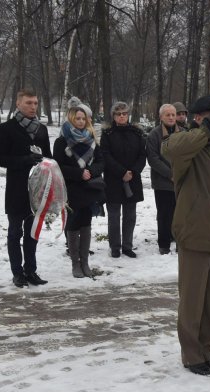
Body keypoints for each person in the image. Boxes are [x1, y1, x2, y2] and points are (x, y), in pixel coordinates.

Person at [162, 94, 210, 376]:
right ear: (199, 118)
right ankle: (192, 354)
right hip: (195, 233)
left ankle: (207, 349)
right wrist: (204, 131)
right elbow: (169, 150)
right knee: (193, 299)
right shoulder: (187, 146)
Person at [0, 89, 51, 288]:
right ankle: (17, 273)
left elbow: (49, 157)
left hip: (37, 190)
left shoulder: (41, 130)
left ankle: (31, 271)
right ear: (18, 104)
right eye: (28, 103)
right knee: (15, 232)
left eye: (35, 103)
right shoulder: (7, 128)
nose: (33, 107)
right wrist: (25, 160)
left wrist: (46, 164)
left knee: (32, 233)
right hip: (17, 189)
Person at [53, 105, 105, 278]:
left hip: (89, 188)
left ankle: (85, 263)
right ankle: (75, 264)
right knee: (74, 224)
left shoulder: (92, 139)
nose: (81, 121)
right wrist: (78, 173)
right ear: (71, 119)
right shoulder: (62, 141)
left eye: (84, 118)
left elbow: (100, 162)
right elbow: (58, 166)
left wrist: (92, 172)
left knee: (86, 223)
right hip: (71, 188)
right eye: (77, 118)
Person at [101, 101, 147, 259]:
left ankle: (127, 246)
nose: (121, 116)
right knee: (114, 215)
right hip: (113, 179)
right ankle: (114, 246)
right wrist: (121, 172)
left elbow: (143, 155)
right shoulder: (107, 134)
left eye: (124, 113)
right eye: (118, 114)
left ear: (128, 115)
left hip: (132, 179)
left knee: (130, 214)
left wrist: (133, 171)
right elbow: (105, 155)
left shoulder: (137, 133)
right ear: (113, 116)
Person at [147, 104, 184, 254]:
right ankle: (164, 244)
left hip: (181, 180)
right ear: (161, 117)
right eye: (167, 115)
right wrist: (170, 174)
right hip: (162, 182)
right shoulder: (154, 135)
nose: (171, 117)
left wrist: (180, 173)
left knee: (180, 213)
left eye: (173, 115)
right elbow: (153, 158)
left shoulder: (183, 133)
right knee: (164, 214)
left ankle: (179, 241)